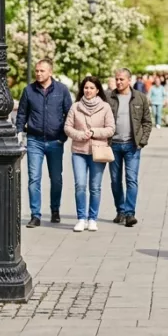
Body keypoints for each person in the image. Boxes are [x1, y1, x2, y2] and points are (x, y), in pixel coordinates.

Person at [16, 59, 73, 229]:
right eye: (37, 71)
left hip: (55, 141)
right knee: (34, 178)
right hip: (35, 141)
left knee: (56, 179)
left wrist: (63, 136)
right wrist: (19, 132)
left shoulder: (62, 90)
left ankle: (55, 210)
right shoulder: (29, 90)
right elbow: (21, 114)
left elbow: (69, 114)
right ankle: (35, 215)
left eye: (42, 71)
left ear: (50, 72)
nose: (39, 73)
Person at [64, 76, 115, 232]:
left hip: (98, 151)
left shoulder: (105, 107)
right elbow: (67, 127)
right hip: (79, 151)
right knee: (80, 185)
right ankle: (81, 218)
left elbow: (111, 129)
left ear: (97, 90)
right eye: (86, 88)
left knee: (95, 187)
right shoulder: (75, 107)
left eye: (92, 88)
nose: (88, 90)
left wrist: (94, 132)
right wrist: (80, 135)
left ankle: (92, 219)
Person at [107, 68, 153, 227]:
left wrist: (142, 141)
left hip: (132, 146)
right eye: (117, 79)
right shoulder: (109, 97)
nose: (118, 82)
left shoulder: (140, 97)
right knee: (115, 180)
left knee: (131, 180)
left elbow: (147, 122)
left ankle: (129, 213)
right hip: (113, 145)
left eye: (121, 79)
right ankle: (120, 210)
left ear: (129, 80)